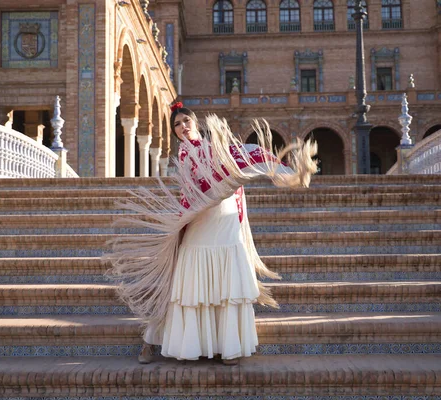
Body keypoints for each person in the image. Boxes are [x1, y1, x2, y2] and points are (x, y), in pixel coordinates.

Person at [103, 102, 317, 365]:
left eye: (186, 121)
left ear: (196, 122)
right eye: (177, 125)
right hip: (201, 217)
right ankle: (157, 341)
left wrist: (288, 171)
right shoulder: (184, 154)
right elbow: (198, 185)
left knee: (226, 284)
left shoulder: (218, 147)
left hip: (225, 218)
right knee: (190, 284)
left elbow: (248, 156)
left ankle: (226, 347)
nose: (182, 127)